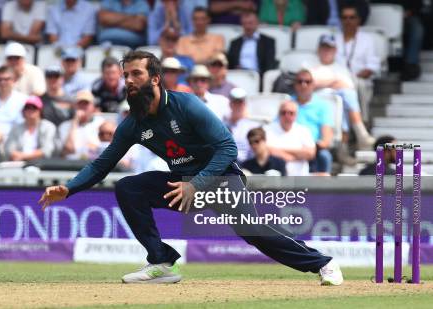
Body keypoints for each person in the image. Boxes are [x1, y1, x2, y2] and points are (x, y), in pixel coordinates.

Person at [39, 51, 343, 286]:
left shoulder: (186, 105)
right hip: (183, 183)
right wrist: (70, 188)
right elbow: (102, 164)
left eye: (135, 74)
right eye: (125, 75)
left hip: (221, 179)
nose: (128, 80)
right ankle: (161, 262)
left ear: (155, 79)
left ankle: (323, 263)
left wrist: (196, 184)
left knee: (254, 231)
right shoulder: (133, 123)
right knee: (129, 188)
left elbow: (228, 148)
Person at [308, 34, 374, 154]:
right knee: (345, 97)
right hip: (316, 100)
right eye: (324, 47)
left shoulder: (341, 67)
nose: (326, 51)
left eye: (330, 48)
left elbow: (348, 86)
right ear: (318, 49)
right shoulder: (309, 64)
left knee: (344, 100)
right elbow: (307, 83)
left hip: (337, 102)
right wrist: (334, 81)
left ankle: (344, 149)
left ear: (335, 50)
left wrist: (325, 83)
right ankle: (361, 133)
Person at [334, 4, 381, 122]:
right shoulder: (334, 39)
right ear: (340, 20)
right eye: (344, 18)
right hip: (338, 81)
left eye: (352, 17)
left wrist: (354, 78)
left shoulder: (367, 39)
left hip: (360, 79)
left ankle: (362, 121)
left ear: (358, 20)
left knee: (357, 84)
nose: (348, 21)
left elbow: (372, 65)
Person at [292, 69, 334, 175]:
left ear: (313, 85)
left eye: (307, 81)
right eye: (300, 81)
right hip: (291, 146)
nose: (303, 85)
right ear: (295, 85)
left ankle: (324, 189)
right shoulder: (288, 105)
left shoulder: (323, 106)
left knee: (325, 156)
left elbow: (326, 139)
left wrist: (311, 148)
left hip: (314, 148)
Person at [264, 100, 316, 176]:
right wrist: (298, 156)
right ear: (279, 114)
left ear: (296, 115)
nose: (287, 116)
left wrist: (280, 152)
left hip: (300, 177)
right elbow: (264, 150)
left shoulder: (303, 131)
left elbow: (310, 153)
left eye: (291, 113)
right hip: (275, 178)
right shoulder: (267, 129)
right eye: (283, 112)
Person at [5, 95, 56, 162]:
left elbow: (47, 150)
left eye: (34, 108)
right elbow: (9, 149)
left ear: (40, 111)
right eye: (27, 107)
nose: (30, 110)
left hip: (42, 165)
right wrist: (18, 156)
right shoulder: (16, 128)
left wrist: (23, 156)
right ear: (23, 111)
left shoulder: (48, 127)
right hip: (19, 164)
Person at [57, 90, 104, 160]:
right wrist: (75, 121)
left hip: (95, 164)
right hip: (71, 165)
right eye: (80, 103)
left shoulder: (101, 123)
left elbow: (105, 148)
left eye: (86, 103)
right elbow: (68, 150)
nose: (83, 107)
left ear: (93, 107)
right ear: (74, 106)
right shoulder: (64, 126)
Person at [227, 11, 278, 75]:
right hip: (238, 75)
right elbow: (230, 64)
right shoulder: (234, 43)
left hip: (259, 76)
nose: (247, 26)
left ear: (257, 23)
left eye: (250, 23)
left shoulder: (268, 42)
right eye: (244, 23)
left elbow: (269, 65)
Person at [226, 87, 260, 162]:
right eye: (235, 102)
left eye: (240, 102)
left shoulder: (253, 126)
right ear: (230, 104)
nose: (237, 105)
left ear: (244, 104)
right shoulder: (223, 125)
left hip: (247, 165)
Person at [0, 65, 27, 137]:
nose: (2, 82)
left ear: (14, 80)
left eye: (6, 79)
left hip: (15, 140)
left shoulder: (23, 100)